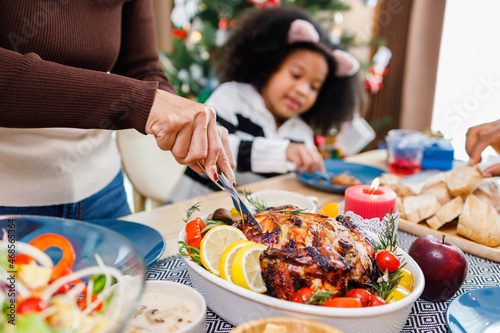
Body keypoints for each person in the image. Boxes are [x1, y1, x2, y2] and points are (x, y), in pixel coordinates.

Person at [0, 0, 234, 220]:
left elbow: (141, 65)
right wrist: (140, 102)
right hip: (9, 200)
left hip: (104, 193)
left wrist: (183, 116)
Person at [171, 6, 364, 202]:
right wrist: (284, 151)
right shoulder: (232, 97)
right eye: (296, 75)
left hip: (251, 223)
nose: (303, 91)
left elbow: (294, 184)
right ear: (269, 66)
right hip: (189, 210)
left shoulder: (301, 132)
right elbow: (212, 148)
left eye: (314, 87)